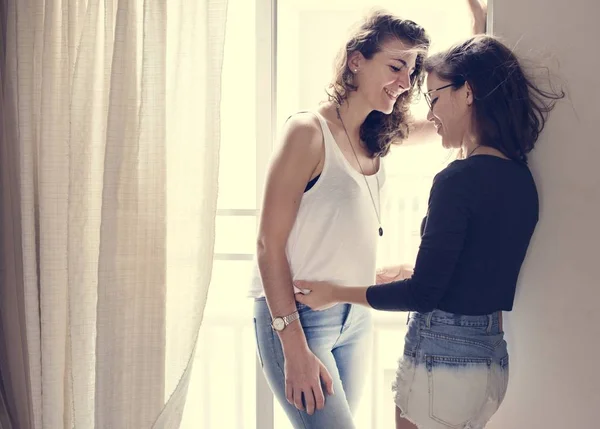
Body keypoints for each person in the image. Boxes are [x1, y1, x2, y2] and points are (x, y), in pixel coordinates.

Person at [295, 34, 565, 429]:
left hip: (443, 358)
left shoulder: (458, 180)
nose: (432, 113)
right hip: (489, 359)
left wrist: (333, 293)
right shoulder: (520, 178)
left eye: (435, 98)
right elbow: (479, 271)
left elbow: (423, 295)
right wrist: (414, 270)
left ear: (467, 93)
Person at [248, 11, 430, 429]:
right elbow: (267, 244)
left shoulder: (376, 136)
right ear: (356, 60)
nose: (405, 82)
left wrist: (483, 23)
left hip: (355, 316)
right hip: (298, 317)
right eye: (396, 65)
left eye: (411, 71)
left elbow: (446, 121)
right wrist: (292, 346)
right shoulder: (307, 132)